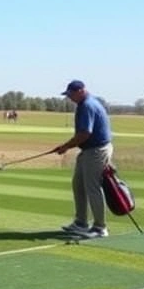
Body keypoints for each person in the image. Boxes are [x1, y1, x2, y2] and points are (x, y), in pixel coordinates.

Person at [57, 80, 113, 238]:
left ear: (81, 91)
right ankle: (81, 223)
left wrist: (66, 146)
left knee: (92, 187)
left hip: (96, 150)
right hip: (88, 150)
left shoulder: (87, 105)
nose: (70, 98)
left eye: (71, 94)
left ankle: (100, 227)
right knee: (78, 185)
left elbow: (84, 134)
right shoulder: (85, 104)